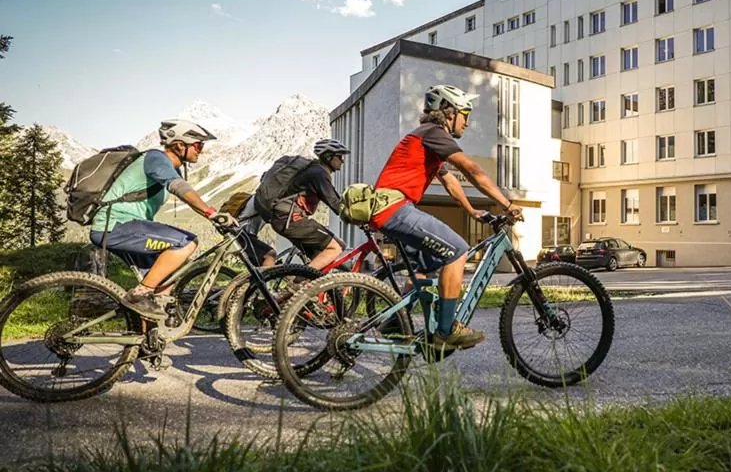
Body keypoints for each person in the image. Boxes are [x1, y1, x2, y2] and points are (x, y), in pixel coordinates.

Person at [370, 85, 523, 351]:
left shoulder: (427, 139)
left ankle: (395, 321)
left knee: (424, 266)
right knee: (458, 251)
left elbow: (450, 180)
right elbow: (471, 169)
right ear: (450, 112)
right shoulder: (434, 132)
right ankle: (446, 331)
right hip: (395, 208)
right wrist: (507, 204)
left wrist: (471, 210)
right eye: (466, 114)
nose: (467, 122)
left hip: (390, 209)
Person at [90, 119, 238, 322]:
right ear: (179, 145)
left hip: (125, 227)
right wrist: (210, 212)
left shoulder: (170, 167)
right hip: (115, 225)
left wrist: (213, 217)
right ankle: (138, 295)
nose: (201, 151)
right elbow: (179, 187)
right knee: (186, 242)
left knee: (164, 284)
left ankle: (150, 338)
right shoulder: (156, 158)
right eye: (198, 145)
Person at [255, 139, 348, 273]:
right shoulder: (319, 174)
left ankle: (301, 284)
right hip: (292, 220)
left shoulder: (315, 170)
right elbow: (336, 204)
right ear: (328, 157)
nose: (342, 161)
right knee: (337, 247)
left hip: (284, 219)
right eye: (339, 156)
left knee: (320, 258)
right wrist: (361, 217)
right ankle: (305, 280)